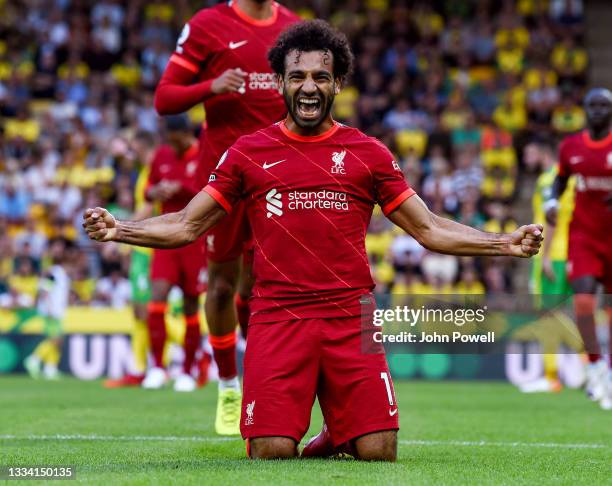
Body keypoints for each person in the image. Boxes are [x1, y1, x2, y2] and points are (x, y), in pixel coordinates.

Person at [83, 20, 543, 461]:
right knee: (273, 451)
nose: (309, 86)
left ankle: (338, 430)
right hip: (277, 315)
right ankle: (300, 425)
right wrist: (120, 229)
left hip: (350, 315)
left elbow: (428, 228)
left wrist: (504, 243)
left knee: (379, 452)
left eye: (321, 76)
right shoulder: (248, 151)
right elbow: (187, 224)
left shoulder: (368, 152)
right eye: (297, 76)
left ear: (338, 83)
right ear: (280, 82)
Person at [154, 0, 299, 433]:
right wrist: (211, 86)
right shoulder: (207, 25)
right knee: (219, 282)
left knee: (261, 286)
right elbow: (164, 98)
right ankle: (228, 385)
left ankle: (263, 381)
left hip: (279, 177)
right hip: (223, 176)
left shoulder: (294, 27)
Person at [545, 88, 612, 410]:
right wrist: (552, 201)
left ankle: (609, 372)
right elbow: (560, 180)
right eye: (593, 106)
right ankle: (596, 366)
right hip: (584, 237)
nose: (598, 111)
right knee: (584, 302)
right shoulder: (571, 147)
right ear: (585, 110)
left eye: (604, 106)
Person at [140, 115, 207, 393]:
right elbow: (147, 191)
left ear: (184, 134)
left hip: (194, 237)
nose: (171, 144)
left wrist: (183, 188)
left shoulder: (204, 153)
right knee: (157, 296)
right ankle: (157, 367)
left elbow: (211, 190)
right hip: (165, 236)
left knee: (191, 303)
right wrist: (156, 190)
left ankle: (188, 370)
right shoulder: (162, 155)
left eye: (174, 138)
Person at [104, 131, 157, 388]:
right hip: (141, 248)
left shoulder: (152, 171)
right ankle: (140, 367)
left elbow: (148, 207)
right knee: (140, 310)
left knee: (147, 310)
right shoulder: (143, 172)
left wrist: (121, 234)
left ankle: (155, 366)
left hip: (150, 250)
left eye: (132, 149)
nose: (129, 155)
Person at [23, 239, 71, 380]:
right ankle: (34, 359)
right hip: (51, 309)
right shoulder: (52, 271)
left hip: (58, 309)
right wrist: (49, 307)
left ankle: (50, 369)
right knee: (56, 339)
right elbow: (44, 290)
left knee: (56, 340)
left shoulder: (60, 271)